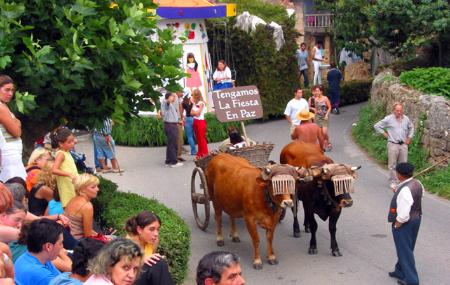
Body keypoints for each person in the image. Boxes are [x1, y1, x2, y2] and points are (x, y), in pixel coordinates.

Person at [387, 163, 423, 285]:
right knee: (407, 247)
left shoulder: (406, 189)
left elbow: (404, 211)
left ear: (400, 175)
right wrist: (398, 190)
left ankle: (412, 280)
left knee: (405, 250)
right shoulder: (417, 184)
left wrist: (398, 224)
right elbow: (414, 197)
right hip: (416, 219)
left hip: (405, 223)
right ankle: (399, 270)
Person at [125, 211, 175, 285]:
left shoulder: (153, 241)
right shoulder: (128, 245)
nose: (156, 234)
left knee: (158, 262)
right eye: (151, 229)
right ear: (139, 230)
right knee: (159, 263)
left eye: (157, 229)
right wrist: (141, 260)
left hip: (146, 278)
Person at [374, 102, 414, 186]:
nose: (399, 112)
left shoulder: (406, 119)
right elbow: (377, 126)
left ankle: (402, 181)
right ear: (393, 110)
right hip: (393, 144)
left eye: (400, 110)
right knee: (392, 165)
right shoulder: (388, 119)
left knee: (403, 164)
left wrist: (409, 138)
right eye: (397, 110)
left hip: (403, 145)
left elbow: (411, 128)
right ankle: (393, 182)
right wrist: (385, 134)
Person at [14, 219, 64, 285]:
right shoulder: (41, 274)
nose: (62, 247)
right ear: (48, 246)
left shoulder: (26, 257)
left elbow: (60, 278)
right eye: (60, 243)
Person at [0, 75, 26, 182]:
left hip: (11, 156)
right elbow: (16, 132)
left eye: (12, 90)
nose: (10, 93)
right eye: (7, 90)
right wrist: (17, 123)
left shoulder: (3, 105)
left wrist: (16, 123)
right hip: (9, 157)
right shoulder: (1, 107)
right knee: (15, 186)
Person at [64, 174, 99, 240]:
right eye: (93, 187)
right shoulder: (87, 206)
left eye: (97, 186)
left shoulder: (74, 199)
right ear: (82, 189)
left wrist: (102, 236)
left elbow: (89, 231)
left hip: (67, 237)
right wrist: (105, 239)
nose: (97, 189)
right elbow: (88, 235)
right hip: (77, 241)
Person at [51, 127, 79, 208]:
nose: (73, 144)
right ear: (60, 144)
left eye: (73, 141)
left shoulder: (66, 150)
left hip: (72, 182)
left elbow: (73, 140)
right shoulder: (61, 154)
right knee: (70, 206)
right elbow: (54, 170)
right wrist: (69, 174)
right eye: (69, 142)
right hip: (67, 185)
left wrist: (72, 140)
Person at [160, 92, 183, 168]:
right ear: (169, 97)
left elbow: (169, 114)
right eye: (173, 96)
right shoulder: (166, 102)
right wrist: (168, 100)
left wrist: (178, 121)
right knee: (173, 144)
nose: (174, 98)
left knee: (170, 144)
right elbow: (166, 103)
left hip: (170, 124)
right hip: (170, 125)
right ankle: (173, 162)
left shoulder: (169, 104)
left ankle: (168, 161)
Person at [312, 85, 332, 151]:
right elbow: (316, 109)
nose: (316, 92)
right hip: (318, 117)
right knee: (320, 133)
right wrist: (314, 117)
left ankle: (328, 142)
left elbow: (329, 107)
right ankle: (323, 144)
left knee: (324, 132)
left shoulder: (325, 98)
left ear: (321, 91)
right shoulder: (315, 99)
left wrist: (326, 115)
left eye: (318, 91)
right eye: (316, 91)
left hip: (324, 117)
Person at [191, 89, 209, 159]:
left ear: (196, 96)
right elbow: (191, 113)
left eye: (193, 95)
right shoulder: (195, 103)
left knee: (202, 138)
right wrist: (194, 113)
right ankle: (200, 153)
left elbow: (197, 114)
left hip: (200, 121)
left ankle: (205, 154)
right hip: (195, 121)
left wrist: (194, 113)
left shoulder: (201, 103)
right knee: (198, 138)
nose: (192, 96)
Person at [175, 91, 186, 162]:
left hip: (179, 121)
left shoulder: (178, 99)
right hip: (176, 122)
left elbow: (180, 110)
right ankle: (176, 156)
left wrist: (182, 117)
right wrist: (178, 120)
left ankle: (179, 155)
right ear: (177, 92)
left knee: (180, 140)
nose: (182, 94)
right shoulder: (175, 99)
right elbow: (174, 111)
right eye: (181, 92)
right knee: (178, 140)